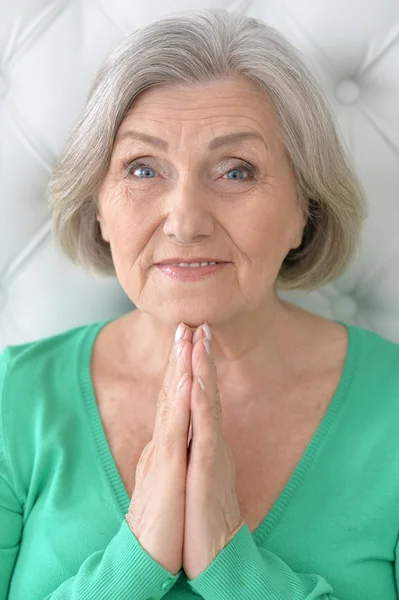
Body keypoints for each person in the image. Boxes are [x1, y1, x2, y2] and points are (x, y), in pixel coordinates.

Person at [1, 6, 399, 600]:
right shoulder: (14, 399)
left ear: (304, 209)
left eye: (236, 172)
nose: (185, 221)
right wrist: (137, 556)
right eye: (143, 168)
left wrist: (228, 563)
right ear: (99, 209)